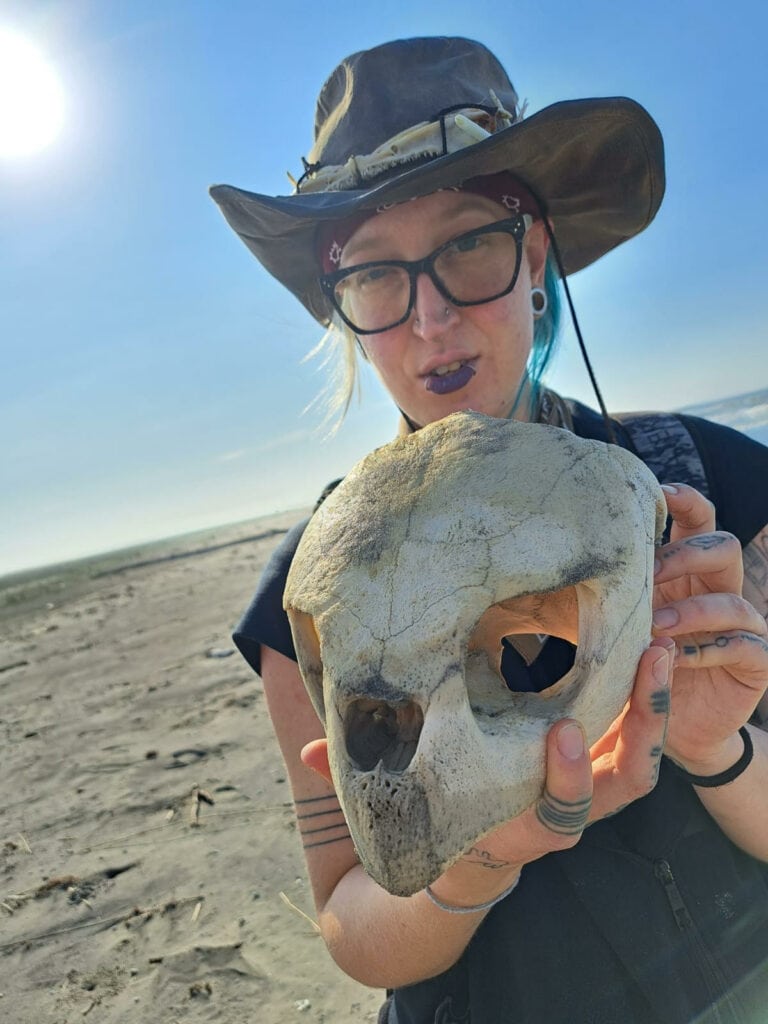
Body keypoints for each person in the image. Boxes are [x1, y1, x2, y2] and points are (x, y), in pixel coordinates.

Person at [211, 37, 768, 1023]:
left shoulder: (719, 489)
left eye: (470, 241)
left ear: (537, 252)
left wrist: (719, 748)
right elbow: (351, 917)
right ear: (342, 305)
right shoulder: (313, 593)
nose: (430, 318)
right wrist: (475, 862)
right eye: (376, 273)